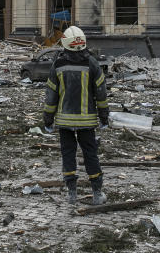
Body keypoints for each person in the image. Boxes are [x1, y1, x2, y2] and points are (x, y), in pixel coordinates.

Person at [42, 25, 109, 205]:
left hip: (64, 121)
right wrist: (104, 117)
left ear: (65, 43)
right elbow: (101, 94)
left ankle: (72, 193)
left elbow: (51, 95)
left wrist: (48, 119)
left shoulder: (58, 64)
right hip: (87, 121)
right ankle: (97, 193)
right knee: (90, 154)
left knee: (68, 154)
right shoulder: (92, 63)